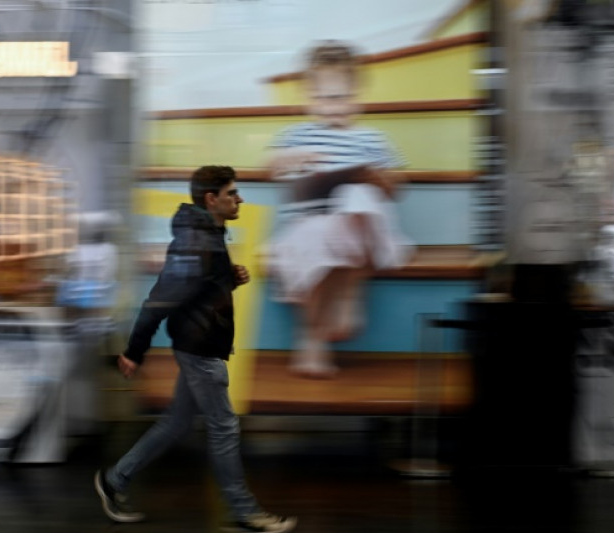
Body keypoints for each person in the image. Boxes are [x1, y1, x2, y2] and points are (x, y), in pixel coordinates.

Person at [94, 166, 297, 533]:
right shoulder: (197, 243)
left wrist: (225, 280)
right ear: (211, 199)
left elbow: (195, 290)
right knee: (223, 427)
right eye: (232, 193)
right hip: (200, 349)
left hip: (200, 342)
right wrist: (135, 350)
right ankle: (244, 512)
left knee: (177, 423)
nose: (240, 199)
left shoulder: (207, 234)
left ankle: (115, 480)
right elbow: (160, 299)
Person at [266, 41, 411, 378]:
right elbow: (271, 167)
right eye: (324, 99)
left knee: (356, 195)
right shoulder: (297, 134)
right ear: (307, 98)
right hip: (314, 226)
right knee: (319, 242)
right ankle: (313, 339)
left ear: (359, 94)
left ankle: (348, 295)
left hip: (360, 230)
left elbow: (397, 185)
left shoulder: (371, 139)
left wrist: (377, 179)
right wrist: (288, 158)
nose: (335, 107)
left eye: (344, 97)